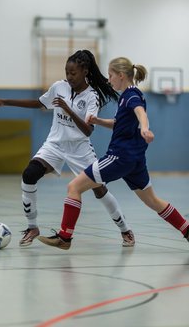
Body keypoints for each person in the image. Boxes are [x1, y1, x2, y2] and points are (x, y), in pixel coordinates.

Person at [38, 56, 189, 250]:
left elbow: (141, 113)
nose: (108, 80)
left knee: (74, 187)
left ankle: (65, 237)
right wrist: (98, 121)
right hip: (136, 160)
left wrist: (145, 128)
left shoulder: (132, 96)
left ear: (121, 75)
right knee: (152, 201)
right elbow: (121, 124)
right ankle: (187, 230)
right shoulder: (128, 95)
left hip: (119, 157)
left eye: (110, 75)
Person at [0, 50, 135, 248]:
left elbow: (87, 131)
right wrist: (6, 102)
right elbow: (38, 103)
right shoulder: (59, 87)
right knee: (29, 174)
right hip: (55, 144)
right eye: (67, 72)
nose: (69, 76)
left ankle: (125, 230)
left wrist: (67, 108)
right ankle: (32, 227)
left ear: (84, 71)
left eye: (73, 72)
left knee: (99, 190)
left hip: (79, 148)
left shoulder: (92, 97)